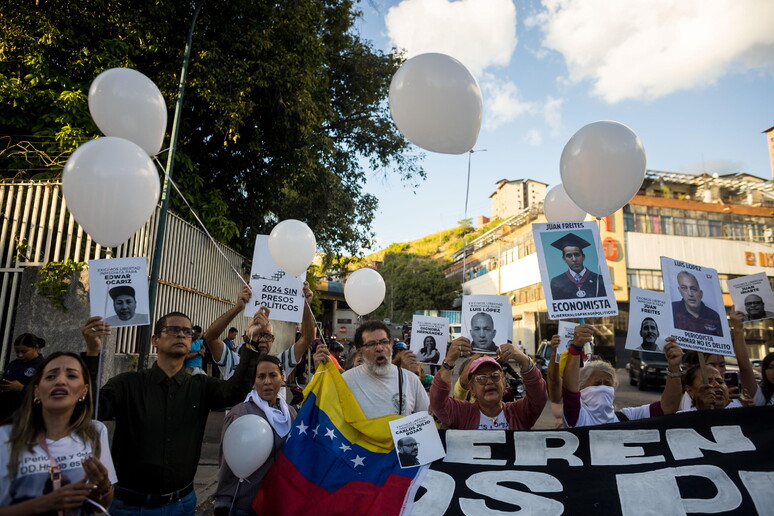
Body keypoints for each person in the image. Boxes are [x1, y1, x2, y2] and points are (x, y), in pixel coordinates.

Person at [81, 308, 261, 515]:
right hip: (131, 506)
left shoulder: (200, 386)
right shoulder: (127, 384)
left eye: (188, 331)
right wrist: (92, 353)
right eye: (174, 329)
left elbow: (235, 391)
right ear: (155, 340)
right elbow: (90, 408)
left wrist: (252, 343)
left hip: (182, 503)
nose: (182, 334)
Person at [0, 352, 116, 515]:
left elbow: (102, 504)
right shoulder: (5, 438)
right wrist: (42, 504)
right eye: (50, 376)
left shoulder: (95, 432)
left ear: (84, 391)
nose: (60, 381)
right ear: (36, 391)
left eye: (71, 375)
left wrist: (104, 487)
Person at [213, 356, 297, 515]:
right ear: (253, 382)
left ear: (282, 378)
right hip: (245, 505)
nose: (267, 382)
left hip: (278, 504)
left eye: (273, 375)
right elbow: (226, 463)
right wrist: (223, 501)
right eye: (261, 376)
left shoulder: (291, 414)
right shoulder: (240, 413)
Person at [562, 325, 683, 427]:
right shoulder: (578, 417)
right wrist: (576, 347)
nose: (603, 388)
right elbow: (570, 390)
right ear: (581, 388)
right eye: (597, 384)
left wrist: (674, 366)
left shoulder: (626, 417)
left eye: (608, 384)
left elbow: (668, 407)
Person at [204, 283, 314, 381]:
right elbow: (210, 337)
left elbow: (306, 339)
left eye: (266, 335)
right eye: (258, 334)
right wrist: (237, 308)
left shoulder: (280, 362)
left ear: (273, 340)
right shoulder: (232, 361)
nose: (262, 340)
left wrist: (306, 307)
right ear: (246, 338)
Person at [430, 337, 547, 430]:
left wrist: (524, 359)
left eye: (495, 376)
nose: (489, 382)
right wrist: (449, 361)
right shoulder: (462, 414)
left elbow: (538, 397)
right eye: (481, 378)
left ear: (504, 383)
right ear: (472, 390)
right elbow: (438, 403)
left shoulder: (519, 413)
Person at [341, 321, 429, 418]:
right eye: (371, 344)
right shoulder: (346, 380)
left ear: (390, 346)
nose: (379, 348)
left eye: (384, 342)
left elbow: (426, 419)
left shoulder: (411, 379)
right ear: (360, 352)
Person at [0, 333, 46, 423]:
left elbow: (46, 391)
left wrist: (22, 388)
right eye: (17, 352)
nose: (20, 355)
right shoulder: (13, 364)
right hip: (5, 414)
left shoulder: (44, 366)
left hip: (27, 415)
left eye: (24, 352)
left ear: (36, 347)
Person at [548, 233, 607, 300]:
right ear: (564, 259)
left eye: (577, 255)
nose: (574, 259)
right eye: (569, 256)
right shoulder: (557, 282)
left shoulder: (599, 280)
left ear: (583, 257)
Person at [671, 271, 722, 336]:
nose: (690, 294)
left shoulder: (714, 316)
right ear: (680, 291)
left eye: (693, 289)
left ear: (701, 294)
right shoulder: (671, 309)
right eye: (684, 288)